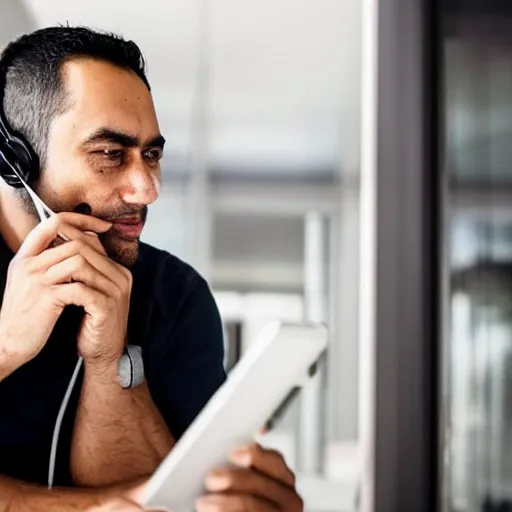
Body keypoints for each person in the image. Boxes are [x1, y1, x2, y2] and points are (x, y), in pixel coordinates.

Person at [0, 27, 303, 511]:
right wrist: (6, 346)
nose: (147, 189)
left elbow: (174, 502)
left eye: (151, 155)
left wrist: (110, 361)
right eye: (110, 154)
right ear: (17, 161)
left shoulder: (176, 297)